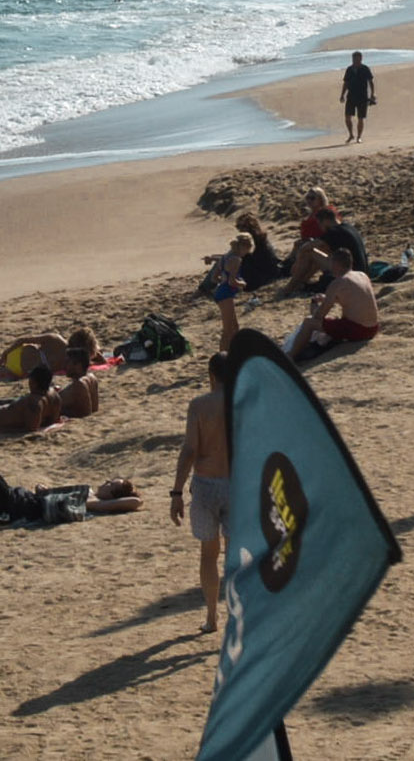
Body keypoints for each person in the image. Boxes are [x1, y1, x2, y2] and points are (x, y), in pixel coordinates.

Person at [169, 353, 233, 634]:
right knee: (234, 553)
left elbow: (190, 451)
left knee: (209, 554)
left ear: (211, 376)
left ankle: (211, 617)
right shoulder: (243, 404)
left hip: (206, 485)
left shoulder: (199, 406)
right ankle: (237, 614)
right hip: (237, 484)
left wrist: (176, 491)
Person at [0, 455, 144, 527]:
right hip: (19, 498)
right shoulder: (88, 493)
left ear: (112, 495)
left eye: (111, 484)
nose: (107, 482)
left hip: (14, 505)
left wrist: (129, 497)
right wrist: (46, 491)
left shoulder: (93, 504)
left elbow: (133, 503)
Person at [284, 243, 381, 361]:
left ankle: (290, 356)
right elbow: (351, 299)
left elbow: (319, 316)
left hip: (359, 331)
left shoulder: (338, 283)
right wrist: (327, 298)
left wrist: (315, 304)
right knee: (333, 320)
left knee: (309, 323)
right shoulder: (361, 275)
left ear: (336, 264)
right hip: (373, 327)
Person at [200, 236, 253, 350]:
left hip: (220, 293)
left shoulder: (224, 258)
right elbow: (232, 281)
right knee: (228, 329)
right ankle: (223, 354)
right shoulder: (236, 260)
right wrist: (242, 283)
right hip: (226, 294)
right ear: (244, 247)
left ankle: (236, 351)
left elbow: (214, 278)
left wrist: (223, 281)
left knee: (234, 327)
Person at [339, 51, 375, 144]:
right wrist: (342, 94)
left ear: (361, 58)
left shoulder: (365, 68)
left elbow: (370, 82)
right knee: (347, 117)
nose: (355, 60)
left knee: (360, 118)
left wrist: (372, 94)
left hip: (362, 96)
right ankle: (351, 135)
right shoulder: (349, 69)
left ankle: (359, 137)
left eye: (357, 59)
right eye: (354, 59)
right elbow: (346, 83)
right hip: (351, 96)